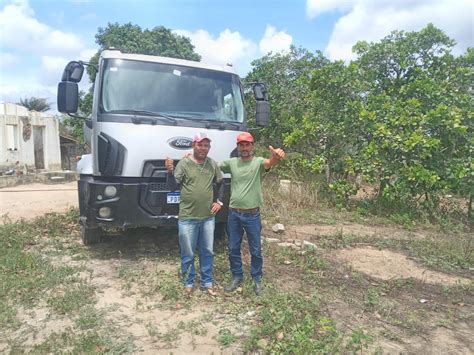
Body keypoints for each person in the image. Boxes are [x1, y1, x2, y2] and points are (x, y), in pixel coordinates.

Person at [220, 132, 285, 295]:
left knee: (255, 249)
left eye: (247, 144)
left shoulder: (258, 163)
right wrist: (191, 157)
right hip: (234, 214)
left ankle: (257, 279)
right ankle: (237, 276)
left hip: (252, 215)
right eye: (241, 144)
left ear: (252, 146)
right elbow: (211, 165)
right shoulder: (232, 163)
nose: (244, 147)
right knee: (233, 247)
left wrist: (277, 156)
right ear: (238, 147)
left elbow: (271, 162)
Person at [165, 132, 224, 296]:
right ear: (193, 145)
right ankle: (188, 282)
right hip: (187, 218)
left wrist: (219, 202)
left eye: (206, 145)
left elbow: (221, 183)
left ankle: (207, 282)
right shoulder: (184, 163)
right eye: (200, 144)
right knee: (188, 253)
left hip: (207, 218)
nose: (203, 148)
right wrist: (169, 172)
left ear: (209, 148)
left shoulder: (212, 164)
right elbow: (172, 187)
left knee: (207, 251)